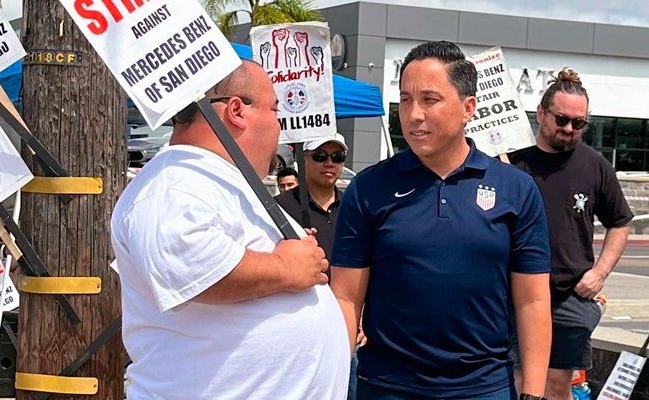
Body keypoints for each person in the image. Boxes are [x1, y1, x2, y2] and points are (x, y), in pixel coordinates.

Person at [110, 60, 350, 399]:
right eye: (274, 110)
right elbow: (191, 267)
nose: (279, 127)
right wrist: (286, 268)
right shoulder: (174, 181)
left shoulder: (211, 180)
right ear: (236, 110)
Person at [331, 40, 552, 400]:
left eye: (429, 100)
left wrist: (534, 392)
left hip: (484, 388)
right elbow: (345, 297)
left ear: (468, 108)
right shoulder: (369, 188)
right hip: (386, 387)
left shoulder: (517, 189)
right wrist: (334, 378)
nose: (413, 114)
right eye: (405, 99)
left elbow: (533, 301)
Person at [509, 68, 633, 400]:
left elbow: (620, 223)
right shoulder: (510, 162)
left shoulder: (594, 165)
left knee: (556, 384)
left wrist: (599, 273)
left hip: (567, 295)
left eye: (579, 124)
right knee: (519, 381)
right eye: (562, 119)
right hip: (513, 294)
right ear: (541, 114)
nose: (569, 129)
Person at [275, 133, 347, 261]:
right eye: (320, 156)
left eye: (337, 157)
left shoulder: (354, 206)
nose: (329, 163)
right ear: (303, 160)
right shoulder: (279, 207)